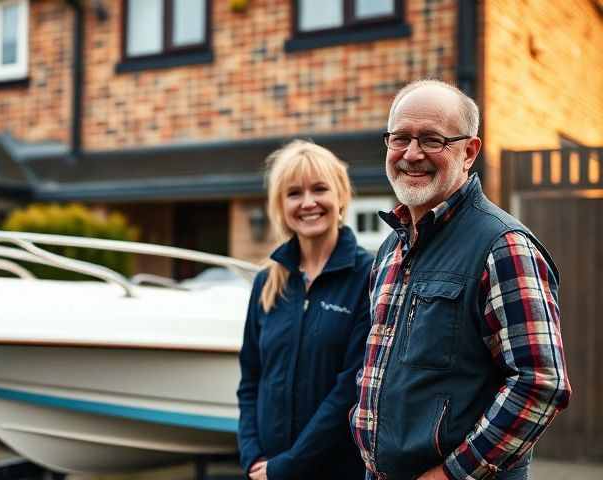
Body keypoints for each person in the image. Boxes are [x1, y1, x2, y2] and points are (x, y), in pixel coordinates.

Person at [349, 79, 572, 480]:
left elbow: (540, 382)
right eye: (400, 138)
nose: (412, 154)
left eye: (432, 140)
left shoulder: (502, 246)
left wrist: (452, 474)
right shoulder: (389, 251)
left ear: (469, 151)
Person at [237, 140, 371, 480]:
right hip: (266, 470)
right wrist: (250, 454)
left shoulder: (367, 276)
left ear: (340, 195)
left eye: (320, 189)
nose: (308, 202)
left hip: (337, 471)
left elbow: (351, 390)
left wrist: (289, 465)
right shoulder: (267, 282)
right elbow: (250, 379)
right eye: (294, 193)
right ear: (280, 205)